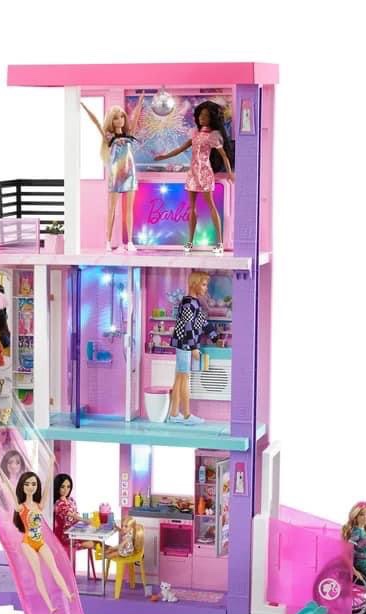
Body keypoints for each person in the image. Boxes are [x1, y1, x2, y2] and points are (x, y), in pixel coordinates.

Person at [153, 100, 235, 254]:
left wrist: (230, 172)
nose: (202, 118)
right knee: (192, 208)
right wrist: (163, 157)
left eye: (206, 116)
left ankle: (219, 243)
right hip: (192, 174)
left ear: (212, 118)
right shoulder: (195, 134)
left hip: (204, 172)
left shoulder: (213, 136)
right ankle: (189, 242)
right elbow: (180, 149)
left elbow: (224, 156)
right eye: (200, 115)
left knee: (211, 206)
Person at [0, 466, 74, 614]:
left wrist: (50, 464)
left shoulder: (39, 505)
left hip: (40, 542)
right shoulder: (20, 507)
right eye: (27, 484)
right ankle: (50, 606)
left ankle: (68, 595)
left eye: (33, 484)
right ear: (22, 486)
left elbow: (48, 486)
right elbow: (10, 489)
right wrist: (1, 473)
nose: (31, 487)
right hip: (28, 543)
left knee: (54, 568)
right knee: (38, 573)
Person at [81, 95, 145, 251]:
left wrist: (140, 102)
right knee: (112, 209)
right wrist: (85, 107)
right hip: (116, 175)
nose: (120, 120)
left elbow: (135, 118)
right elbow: (96, 122)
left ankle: (129, 242)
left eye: (122, 117)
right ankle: (108, 241)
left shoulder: (129, 134)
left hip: (130, 174)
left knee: (129, 210)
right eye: (116, 118)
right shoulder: (109, 136)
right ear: (111, 120)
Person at [168, 271, 222, 426]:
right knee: (184, 378)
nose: (206, 288)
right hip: (184, 344)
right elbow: (188, 326)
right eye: (204, 284)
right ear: (195, 284)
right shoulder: (188, 303)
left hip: (184, 344)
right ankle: (186, 415)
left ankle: (174, 414)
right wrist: (193, 348)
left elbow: (202, 323)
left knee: (180, 378)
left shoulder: (194, 303)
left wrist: (215, 338)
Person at [52, 473, 94, 555]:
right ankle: (112, 552)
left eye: (68, 487)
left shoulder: (71, 500)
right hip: (65, 536)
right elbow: (71, 515)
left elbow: (76, 515)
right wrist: (85, 520)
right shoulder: (58, 503)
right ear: (57, 487)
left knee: (97, 542)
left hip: (76, 532)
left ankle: (112, 552)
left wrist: (85, 523)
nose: (66, 490)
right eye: (62, 487)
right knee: (93, 543)